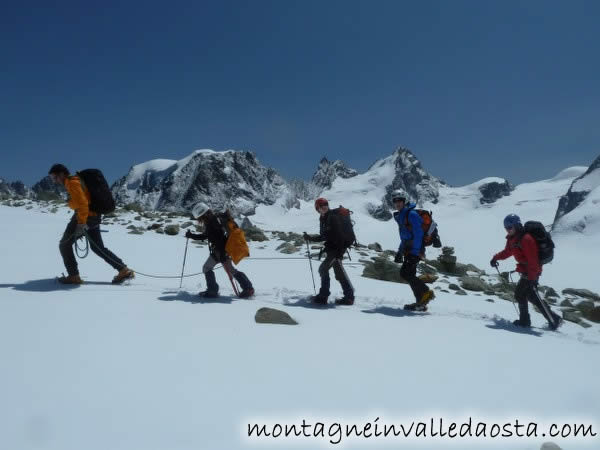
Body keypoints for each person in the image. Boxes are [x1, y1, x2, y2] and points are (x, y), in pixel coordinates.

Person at [48, 164, 134, 284]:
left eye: (55, 177)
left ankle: (73, 276)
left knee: (64, 245)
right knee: (97, 247)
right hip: (94, 216)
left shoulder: (72, 183)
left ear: (62, 174)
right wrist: (71, 203)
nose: (54, 181)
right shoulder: (75, 181)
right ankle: (123, 270)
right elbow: (81, 201)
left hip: (85, 217)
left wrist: (81, 224)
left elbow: (83, 204)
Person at [491, 214, 562, 329]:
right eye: (506, 228)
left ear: (517, 225)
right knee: (531, 296)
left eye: (510, 227)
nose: (508, 230)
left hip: (531, 272)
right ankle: (553, 319)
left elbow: (533, 260)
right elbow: (508, 251)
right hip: (526, 272)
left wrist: (532, 277)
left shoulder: (526, 239)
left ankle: (525, 322)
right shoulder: (512, 239)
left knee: (519, 294)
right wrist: (495, 258)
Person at [185, 202, 254, 298]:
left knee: (207, 268)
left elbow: (216, 238)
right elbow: (208, 236)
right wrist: (192, 235)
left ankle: (212, 291)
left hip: (220, 251)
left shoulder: (212, 222)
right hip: (225, 249)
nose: (199, 220)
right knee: (231, 270)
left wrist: (222, 253)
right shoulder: (214, 219)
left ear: (201, 215)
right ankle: (248, 288)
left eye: (199, 217)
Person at [303, 198, 355, 305]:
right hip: (333, 250)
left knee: (323, 269)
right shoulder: (324, 218)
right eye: (321, 206)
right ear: (317, 209)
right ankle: (349, 296)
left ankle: (323, 296)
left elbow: (339, 236)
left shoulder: (332, 217)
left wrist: (339, 253)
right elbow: (324, 236)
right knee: (339, 272)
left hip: (336, 250)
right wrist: (310, 238)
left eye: (325, 204)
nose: (324, 207)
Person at [392, 189, 435, 311]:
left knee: (405, 273)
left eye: (400, 200)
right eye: (395, 201)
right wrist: (400, 252)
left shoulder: (411, 214)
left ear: (404, 201)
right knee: (410, 274)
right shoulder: (401, 216)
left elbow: (419, 234)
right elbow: (405, 237)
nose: (397, 203)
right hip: (408, 249)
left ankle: (426, 292)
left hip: (415, 250)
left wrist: (415, 252)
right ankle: (420, 303)